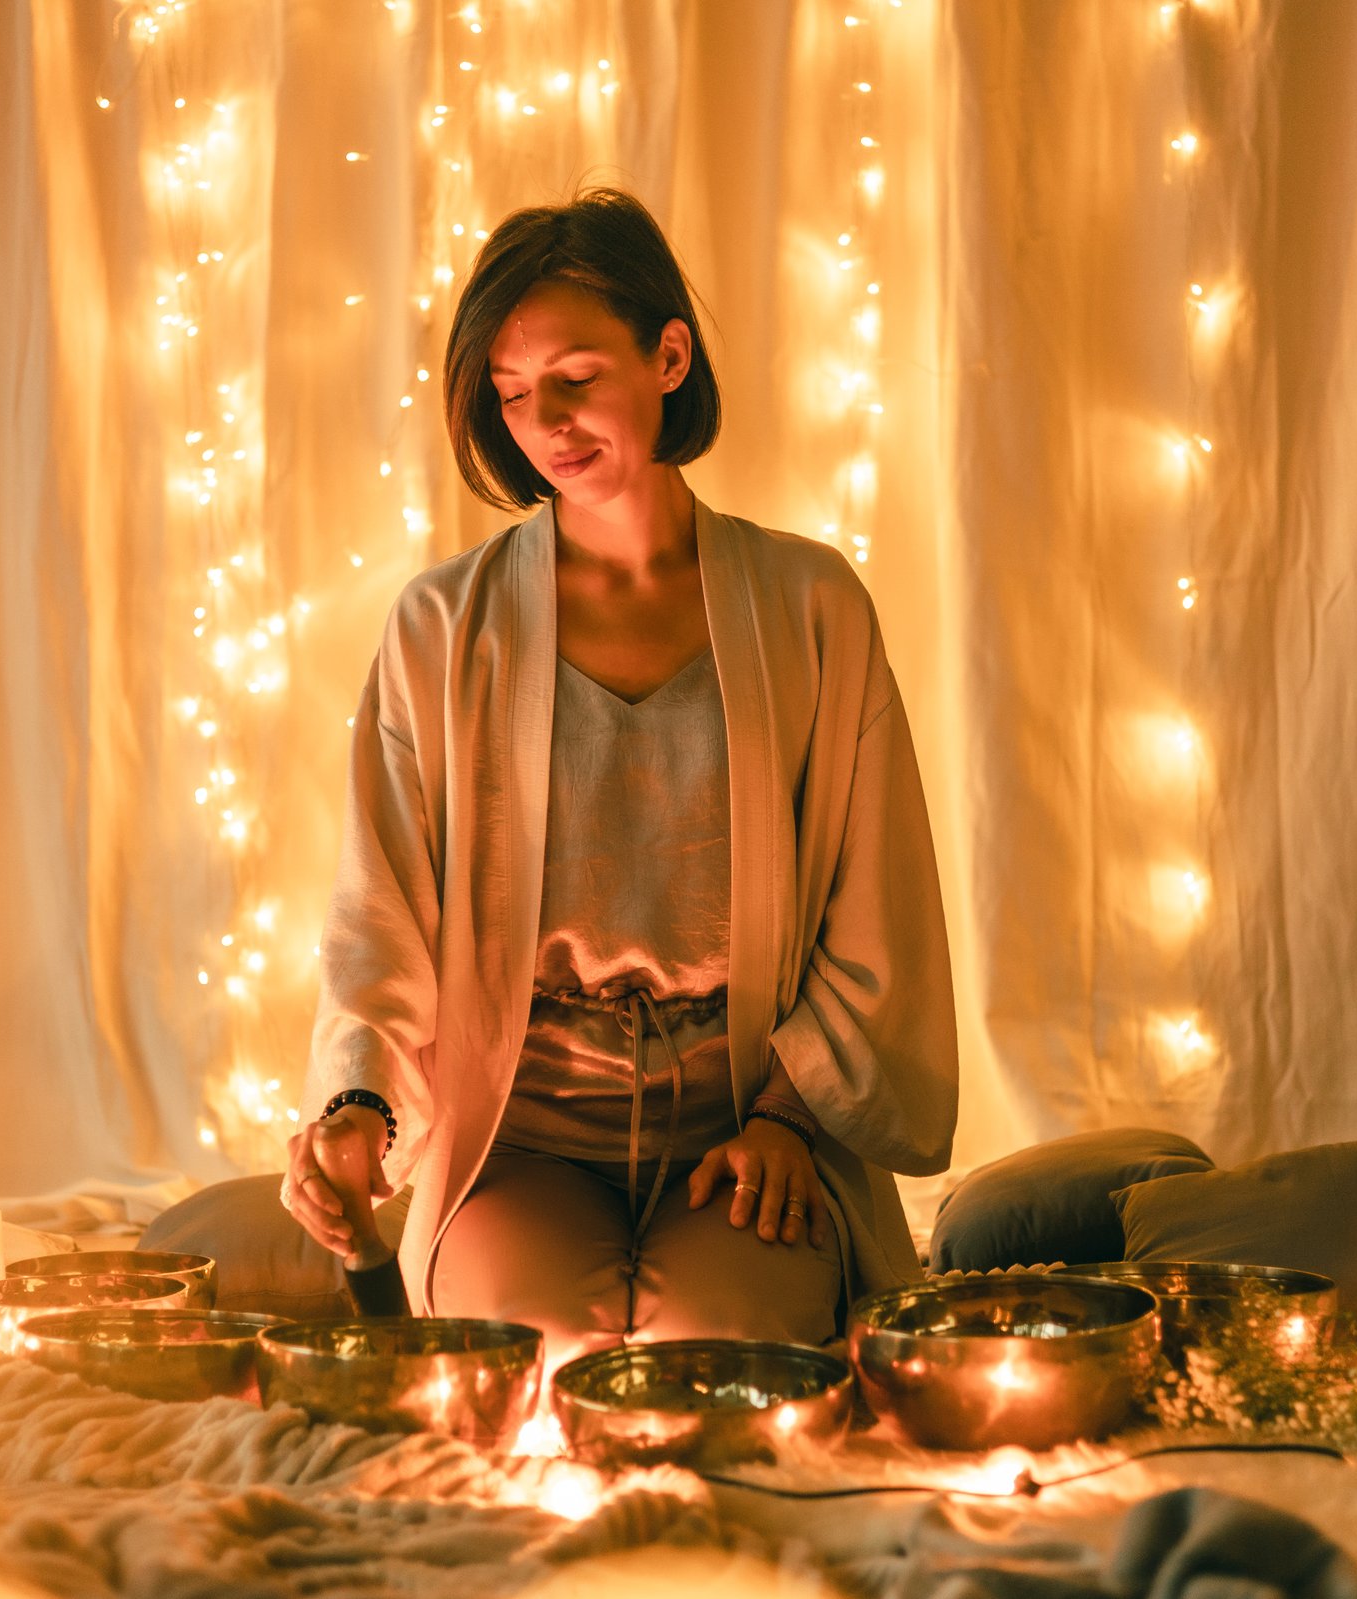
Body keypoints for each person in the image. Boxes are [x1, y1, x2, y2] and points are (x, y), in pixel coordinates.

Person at [283, 186, 955, 1364]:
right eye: (510, 394)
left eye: (577, 376)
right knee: (544, 1362)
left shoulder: (812, 607)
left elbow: (874, 914)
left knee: (718, 1359)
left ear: (669, 354)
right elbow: (376, 918)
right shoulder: (443, 627)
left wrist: (789, 1120)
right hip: (522, 1133)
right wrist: (357, 1109)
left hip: (744, 1124)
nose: (545, 422)